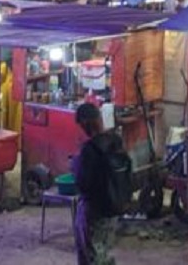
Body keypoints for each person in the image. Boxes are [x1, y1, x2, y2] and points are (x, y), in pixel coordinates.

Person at [73, 102, 126, 265]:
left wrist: (75, 166)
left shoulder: (90, 149)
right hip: (113, 208)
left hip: (94, 211)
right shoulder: (116, 141)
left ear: (85, 123)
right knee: (103, 251)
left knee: (92, 255)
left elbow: (84, 184)